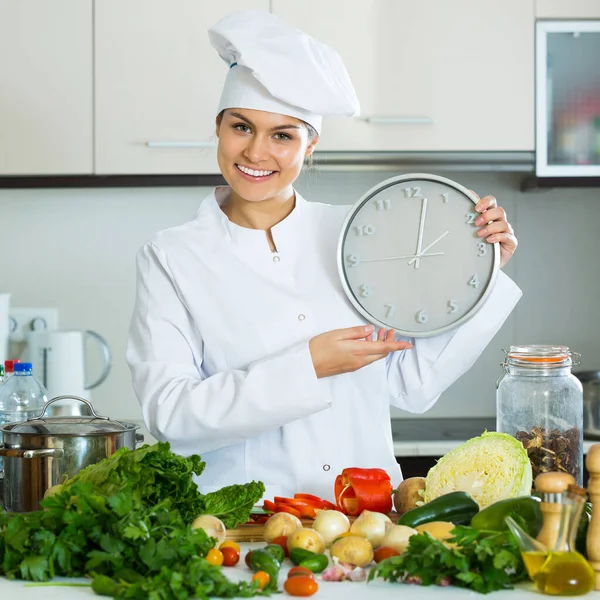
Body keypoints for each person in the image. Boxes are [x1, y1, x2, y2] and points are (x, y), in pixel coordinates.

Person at [126, 10, 521, 501]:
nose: (255, 152)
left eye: (282, 135)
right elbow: (171, 415)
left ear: (310, 145)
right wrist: (308, 367)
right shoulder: (173, 257)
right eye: (242, 127)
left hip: (368, 516)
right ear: (218, 127)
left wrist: (478, 274)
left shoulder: (358, 235)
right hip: (241, 525)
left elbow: (413, 385)